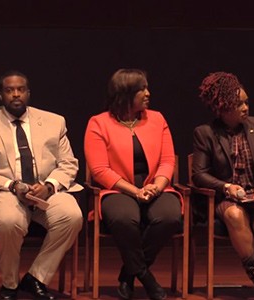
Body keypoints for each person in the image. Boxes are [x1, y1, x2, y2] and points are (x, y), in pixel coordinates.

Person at [0, 70, 83, 300]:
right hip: (4, 190)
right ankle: (10, 284)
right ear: (0, 95)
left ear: (28, 93)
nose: (16, 95)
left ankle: (36, 278)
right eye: (9, 91)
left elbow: (69, 163)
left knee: (71, 216)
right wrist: (12, 185)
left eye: (20, 90)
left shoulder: (54, 121)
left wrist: (49, 186)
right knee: (8, 221)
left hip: (46, 191)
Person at [191, 71, 254, 300]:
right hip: (230, 197)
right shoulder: (205, 133)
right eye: (239, 104)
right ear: (222, 108)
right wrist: (227, 187)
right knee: (235, 215)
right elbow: (199, 174)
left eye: (246, 102)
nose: (246, 107)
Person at [84, 68, 182, 300]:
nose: (148, 93)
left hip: (155, 186)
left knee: (170, 216)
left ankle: (128, 274)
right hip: (117, 189)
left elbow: (168, 161)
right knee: (124, 219)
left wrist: (156, 187)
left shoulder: (157, 119)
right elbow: (99, 170)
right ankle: (146, 277)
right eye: (142, 89)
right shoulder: (98, 123)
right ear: (125, 94)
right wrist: (135, 191)